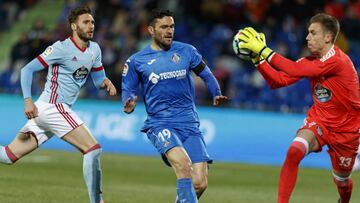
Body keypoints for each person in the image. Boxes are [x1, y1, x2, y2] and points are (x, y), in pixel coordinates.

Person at [237, 13, 360, 203]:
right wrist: (257, 59)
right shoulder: (309, 61)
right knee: (295, 150)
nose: (307, 37)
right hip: (320, 121)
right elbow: (278, 81)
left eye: (313, 33)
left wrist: (263, 50)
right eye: (307, 33)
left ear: (327, 37)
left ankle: (344, 200)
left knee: (342, 181)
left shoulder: (338, 61)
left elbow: (294, 70)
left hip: (347, 131)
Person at [0, 6, 116, 203]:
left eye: (92, 22)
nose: (91, 26)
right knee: (93, 149)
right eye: (85, 22)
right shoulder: (60, 48)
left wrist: (106, 82)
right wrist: (27, 100)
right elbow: (27, 70)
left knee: (9, 155)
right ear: (73, 26)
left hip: (52, 112)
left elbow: (97, 78)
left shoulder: (94, 49)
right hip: (52, 107)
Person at [122, 8, 227, 203]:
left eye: (171, 26)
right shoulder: (137, 61)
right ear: (151, 30)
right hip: (160, 124)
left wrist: (216, 93)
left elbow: (206, 74)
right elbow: (128, 88)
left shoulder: (186, 51)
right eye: (163, 27)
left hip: (189, 124)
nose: (169, 31)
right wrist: (128, 102)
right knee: (183, 165)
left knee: (199, 183)